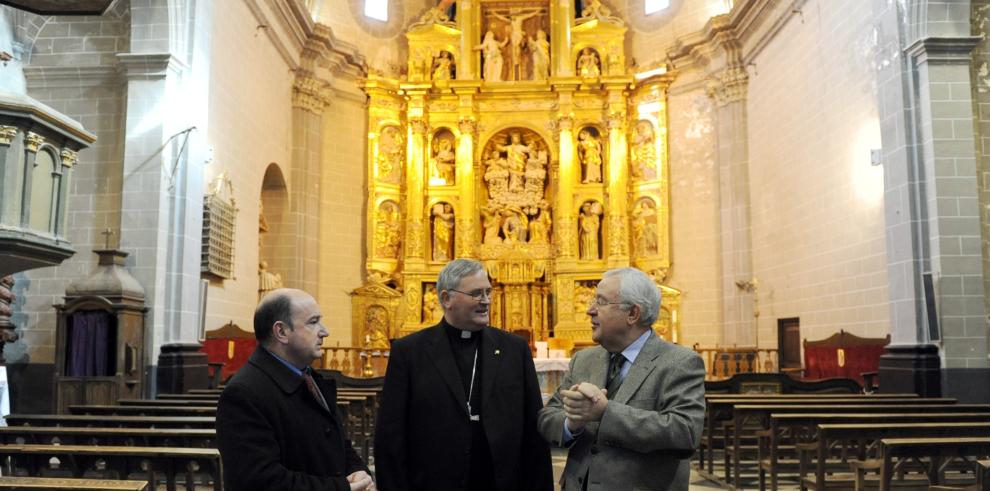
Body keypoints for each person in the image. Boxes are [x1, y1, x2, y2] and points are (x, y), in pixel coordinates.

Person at [375, 258, 553, 491]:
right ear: (446, 298)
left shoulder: (514, 349)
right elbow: (390, 436)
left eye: (488, 292)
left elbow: (533, 432)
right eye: (476, 293)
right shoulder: (410, 352)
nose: (486, 301)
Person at [537, 268, 706, 491]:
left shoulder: (679, 362)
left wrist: (605, 413)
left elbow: (685, 432)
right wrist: (572, 424)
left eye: (601, 302)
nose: (589, 311)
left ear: (633, 314)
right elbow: (547, 417)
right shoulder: (584, 360)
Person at [217, 288, 374, 491]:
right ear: (281, 332)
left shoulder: (309, 377)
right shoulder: (244, 393)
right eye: (313, 322)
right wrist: (341, 488)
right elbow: (259, 481)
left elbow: (338, 444)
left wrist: (359, 472)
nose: (324, 331)